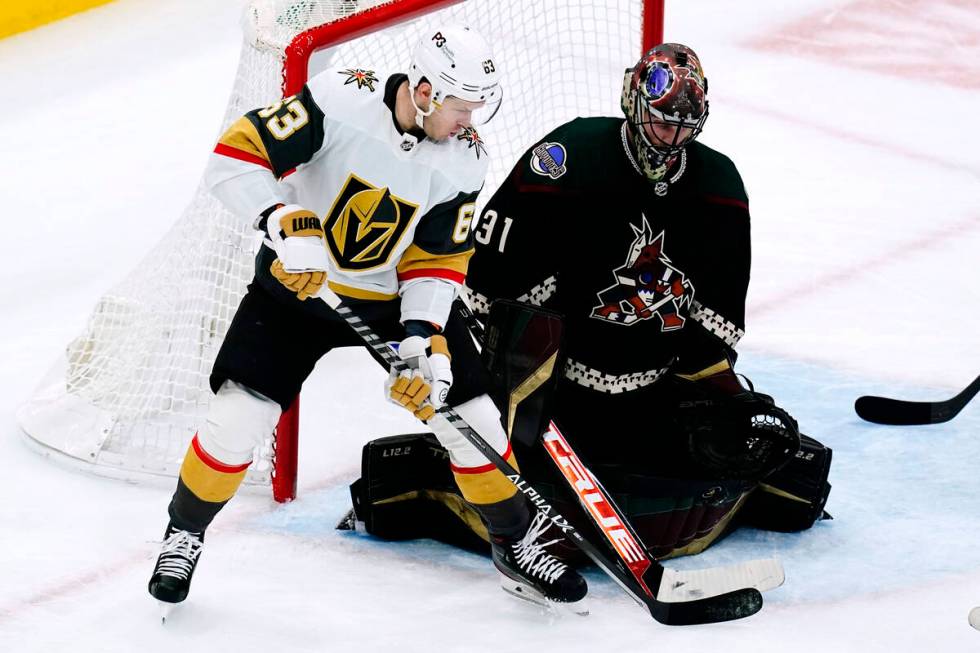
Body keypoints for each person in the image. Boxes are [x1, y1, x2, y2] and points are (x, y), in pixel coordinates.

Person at [147, 24, 588, 616]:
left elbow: (436, 259)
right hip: (298, 288)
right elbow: (233, 157)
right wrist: (282, 221)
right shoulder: (341, 98)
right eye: (460, 107)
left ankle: (514, 545)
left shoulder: (465, 158)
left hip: (388, 299)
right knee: (237, 419)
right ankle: (184, 534)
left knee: (472, 419)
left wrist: (422, 338)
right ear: (426, 91)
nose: (469, 121)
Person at [346, 43, 832, 563]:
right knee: (524, 494)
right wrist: (508, 385)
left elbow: (710, 325)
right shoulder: (567, 160)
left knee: (765, 455)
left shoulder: (720, 187)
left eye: (685, 127)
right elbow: (490, 285)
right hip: (554, 395)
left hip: (654, 391)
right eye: (662, 122)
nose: (672, 139)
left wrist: (728, 401)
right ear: (633, 101)